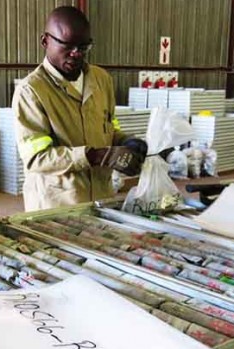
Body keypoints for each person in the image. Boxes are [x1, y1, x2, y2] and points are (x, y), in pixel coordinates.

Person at [12, 6, 147, 211]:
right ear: (45, 41)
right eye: (68, 45)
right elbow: (37, 158)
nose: (76, 54)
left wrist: (125, 141)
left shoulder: (101, 80)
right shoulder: (31, 91)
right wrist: (95, 156)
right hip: (58, 205)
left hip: (103, 198)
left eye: (83, 47)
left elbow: (108, 128)